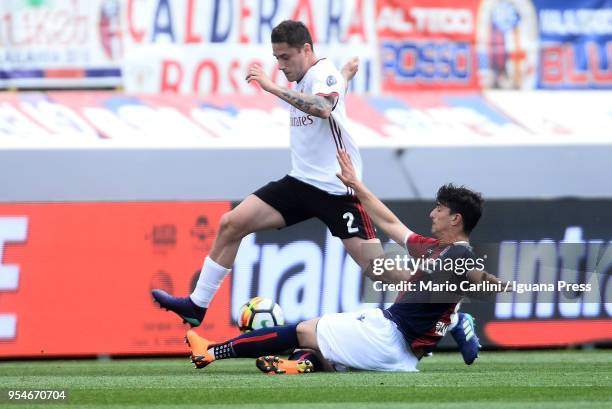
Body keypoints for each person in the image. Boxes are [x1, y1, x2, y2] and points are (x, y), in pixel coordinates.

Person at [183, 153, 509, 373]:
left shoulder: (458, 254)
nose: (432, 213)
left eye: (438, 208)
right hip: (398, 349)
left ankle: (213, 351)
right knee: (325, 353)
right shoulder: (435, 248)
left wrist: (500, 285)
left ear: (455, 218)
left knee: (302, 330)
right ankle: (296, 366)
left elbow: (469, 276)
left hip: (389, 335)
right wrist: (357, 186)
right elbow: (392, 224)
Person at [152, 21, 379, 327]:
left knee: (381, 269)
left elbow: (324, 106)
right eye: (276, 58)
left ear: (306, 50)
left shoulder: (322, 72)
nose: (281, 65)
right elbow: (331, 95)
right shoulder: (313, 77)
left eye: (286, 57)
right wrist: (346, 76)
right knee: (232, 223)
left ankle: (449, 314)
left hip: (337, 190)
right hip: (301, 183)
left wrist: (272, 88)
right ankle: (196, 305)